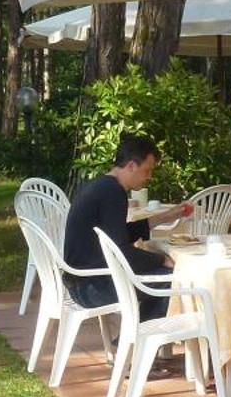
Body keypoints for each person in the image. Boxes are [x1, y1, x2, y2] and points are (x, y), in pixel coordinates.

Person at [62, 134, 189, 321]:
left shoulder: (102, 186)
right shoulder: (113, 192)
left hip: (81, 283)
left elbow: (119, 235)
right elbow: (122, 253)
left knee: (163, 276)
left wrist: (167, 216)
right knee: (171, 279)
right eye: (147, 170)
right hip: (91, 288)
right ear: (131, 165)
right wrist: (161, 260)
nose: (149, 177)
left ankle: (135, 340)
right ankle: (139, 340)